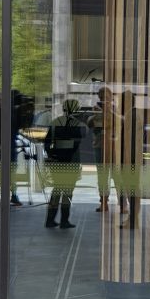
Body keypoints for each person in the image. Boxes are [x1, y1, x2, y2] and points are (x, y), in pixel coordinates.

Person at [44, 98, 88, 229]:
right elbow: (83, 140)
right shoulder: (80, 125)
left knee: (57, 189)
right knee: (68, 191)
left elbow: (47, 143)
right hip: (71, 162)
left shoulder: (54, 122)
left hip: (57, 161)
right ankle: (64, 220)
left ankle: (50, 220)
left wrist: (52, 154)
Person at [87, 86, 120, 212]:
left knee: (116, 174)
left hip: (112, 146)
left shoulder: (114, 109)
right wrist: (95, 116)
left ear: (111, 97)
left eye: (106, 97)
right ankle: (103, 202)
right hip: (99, 145)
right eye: (101, 97)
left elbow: (120, 122)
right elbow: (89, 124)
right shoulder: (96, 109)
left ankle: (122, 202)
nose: (103, 99)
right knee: (102, 175)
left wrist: (109, 111)